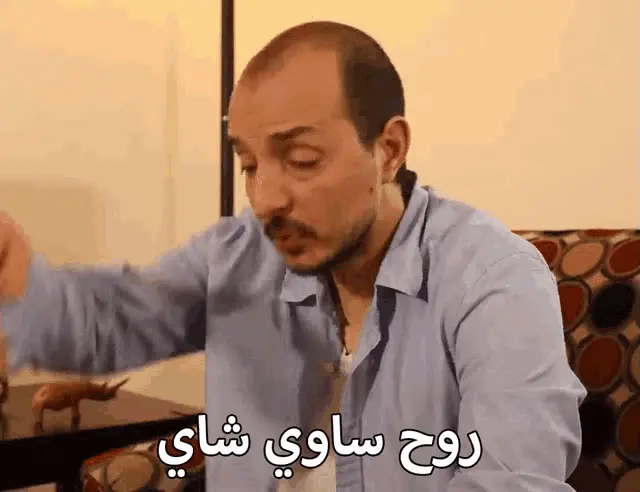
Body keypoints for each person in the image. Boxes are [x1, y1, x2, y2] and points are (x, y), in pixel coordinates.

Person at [0, 20, 585, 491]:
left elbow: (514, 478)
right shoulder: (238, 257)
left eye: (301, 160)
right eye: (249, 164)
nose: (264, 200)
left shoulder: (492, 279)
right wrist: (19, 285)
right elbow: (110, 320)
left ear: (389, 149)